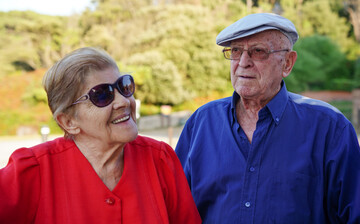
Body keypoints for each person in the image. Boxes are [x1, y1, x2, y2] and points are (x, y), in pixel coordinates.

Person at [175, 13, 360, 223]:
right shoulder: (201, 123)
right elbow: (175, 208)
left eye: (258, 52)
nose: (243, 62)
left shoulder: (330, 129)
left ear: (287, 63)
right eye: (236, 51)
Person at [0, 47, 201, 224]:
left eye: (124, 86)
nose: (124, 101)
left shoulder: (160, 159)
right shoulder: (31, 171)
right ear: (69, 122)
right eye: (102, 95)